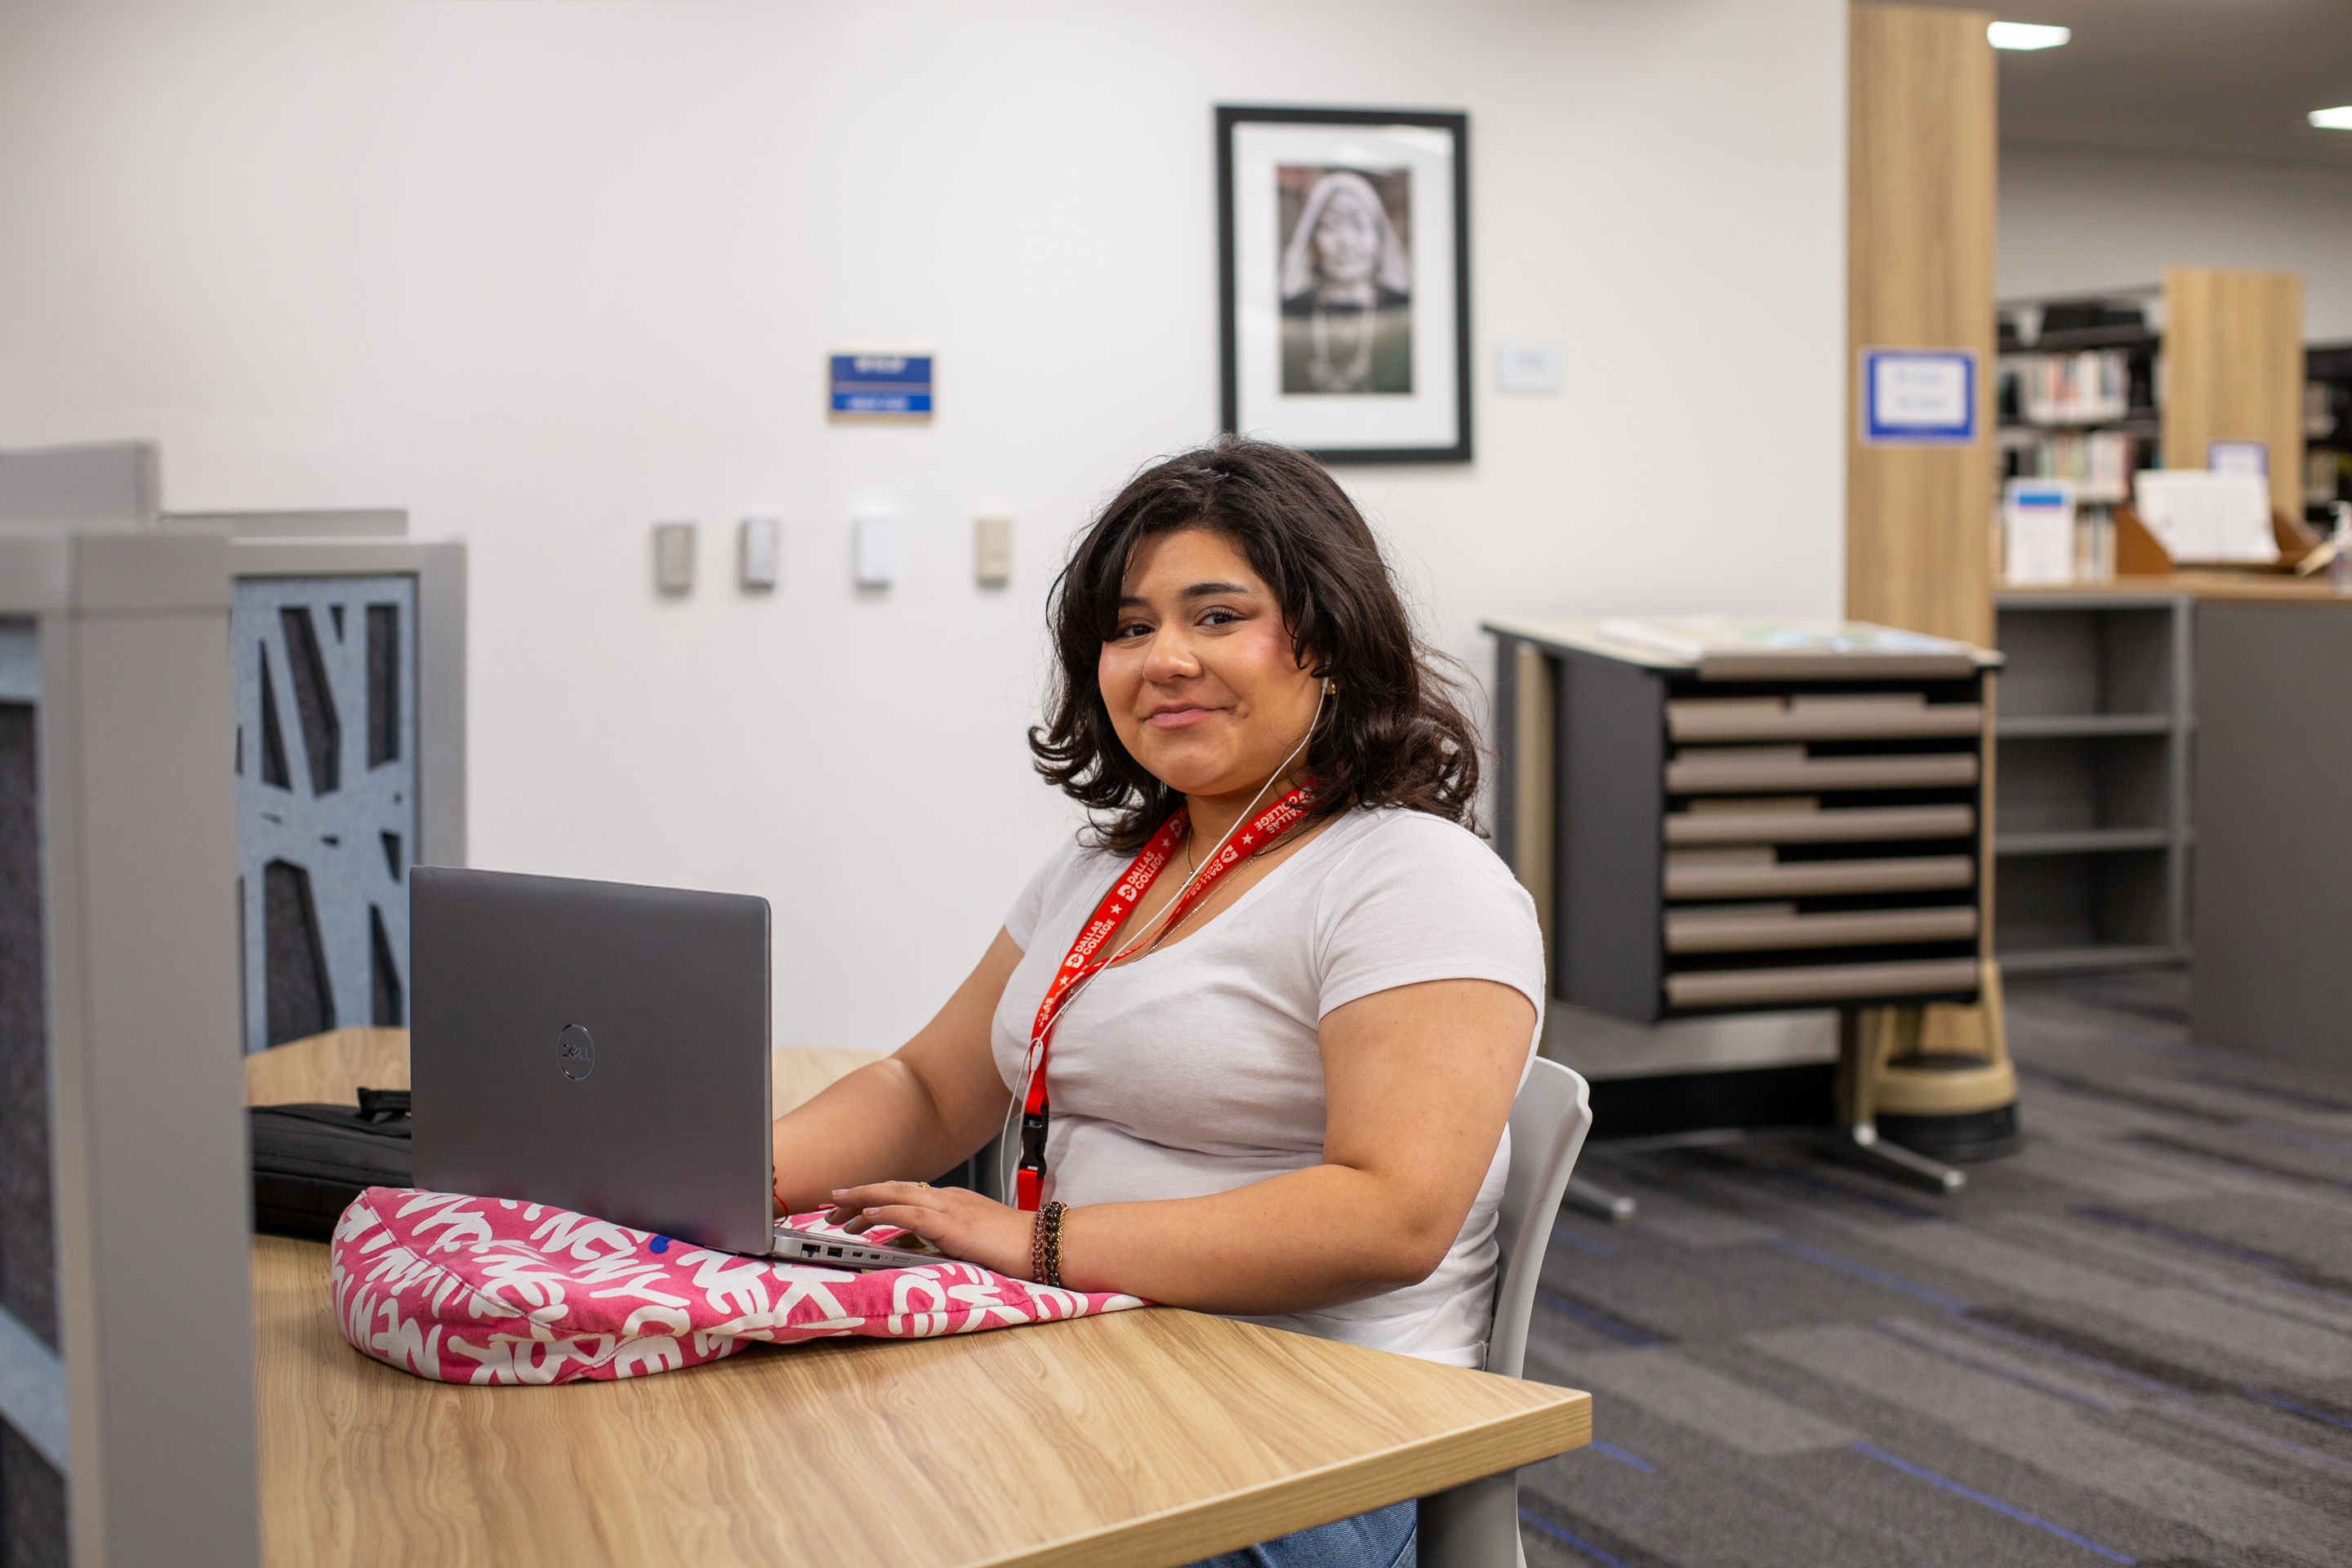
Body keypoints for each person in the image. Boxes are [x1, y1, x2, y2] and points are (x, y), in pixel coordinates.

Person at [770, 437, 1543, 1568]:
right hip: (1098, 1357)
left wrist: (1033, 1241)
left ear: (1323, 639)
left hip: (1317, 1423)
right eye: (1131, 629)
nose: (1163, 657)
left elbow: (1393, 1216)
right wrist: (722, 1178)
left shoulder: (1414, 878)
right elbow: (932, 1085)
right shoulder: (1103, 865)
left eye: (1216, 617)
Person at [1279, 170, 1413, 395]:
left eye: (1359, 226)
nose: (1346, 242)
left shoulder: (1404, 314)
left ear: (1380, 236)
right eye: (1330, 226)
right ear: (1311, 238)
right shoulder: (1290, 314)